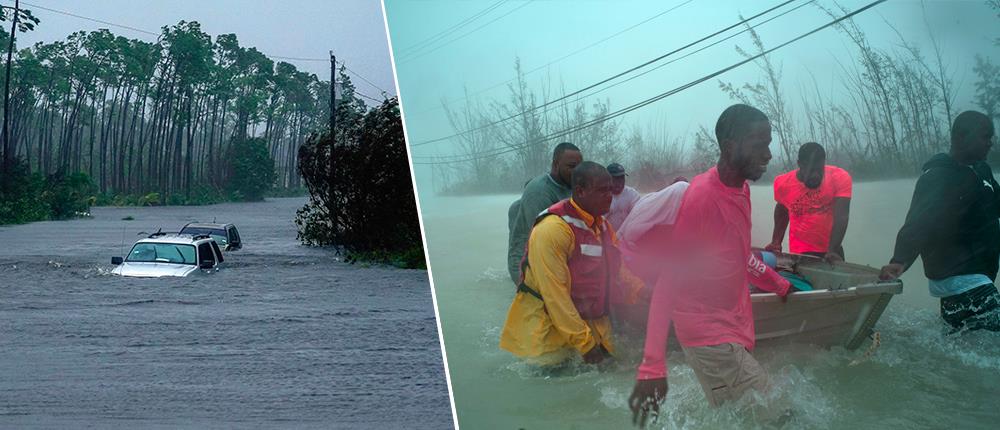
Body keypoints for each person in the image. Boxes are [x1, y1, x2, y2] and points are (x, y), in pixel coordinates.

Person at [628, 104, 793, 427]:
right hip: (708, 334)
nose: (769, 155)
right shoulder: (702, 198)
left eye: (768, 143)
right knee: (782, 419)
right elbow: (668, 280)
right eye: (760, 144)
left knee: (737, 418)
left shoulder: (742, 189)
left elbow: (739, 254)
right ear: (730, 146)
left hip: (731, 323)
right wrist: (651, 366)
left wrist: (777, 283)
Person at [499, 161, 645, 366]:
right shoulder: (552, 229)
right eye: (602, 191)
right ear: (580, 191)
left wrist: (641, 291)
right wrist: (586, 345)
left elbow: (618, 267)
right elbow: (554, 295)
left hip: (588, 326)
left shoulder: (602, 226)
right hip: (547, 339)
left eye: (610, 190)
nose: (609, 197)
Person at [879, 111, 999, 332]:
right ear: (961, 137)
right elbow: (918, 222)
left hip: (973, 278)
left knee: (966, 347)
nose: (991, 142)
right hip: (961, 276)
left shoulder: (981, 171)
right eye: (985, 136)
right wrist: (900, 260)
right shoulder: (938, 176)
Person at [507, 142, 583, 283]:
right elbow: (544, 241)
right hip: (528, 264)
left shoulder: (570, 184)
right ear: (555, 165)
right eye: (572, 167)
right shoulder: (539, 193)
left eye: (580, 167)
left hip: (553, 254)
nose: (577, 172)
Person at [765, 142, 852, 262]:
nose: (815, 175)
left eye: (819, 170)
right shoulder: (783, 183)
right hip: (800, 253)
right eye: (811, 171)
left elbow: (841, 216)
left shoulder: (839, 177)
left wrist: (832, 250)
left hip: (832, 250)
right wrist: (776, 242)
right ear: (800, 164)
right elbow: (782, 209)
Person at [607, 163, 642, 230]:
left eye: (621, 178)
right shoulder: (601, 196)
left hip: (628, 235)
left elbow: (639, 217)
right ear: (607, 178)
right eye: (615, 178)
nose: (619, 182)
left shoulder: (632, 194)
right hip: (606, 237)